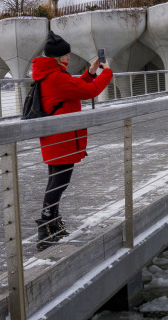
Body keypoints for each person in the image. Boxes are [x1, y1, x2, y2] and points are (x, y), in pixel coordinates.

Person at [32, 31, 112, 251]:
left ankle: (52, 224)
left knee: (56, 181)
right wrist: (107, 73)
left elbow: (73, 90)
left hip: (58, 139)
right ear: (58, 57)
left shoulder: (52, 74)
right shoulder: (56, 77)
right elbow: (89, 92)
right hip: (61, 140)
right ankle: (46, 227)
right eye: (66, 54)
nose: (68, 57)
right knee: (59, 182)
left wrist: (90, 73)